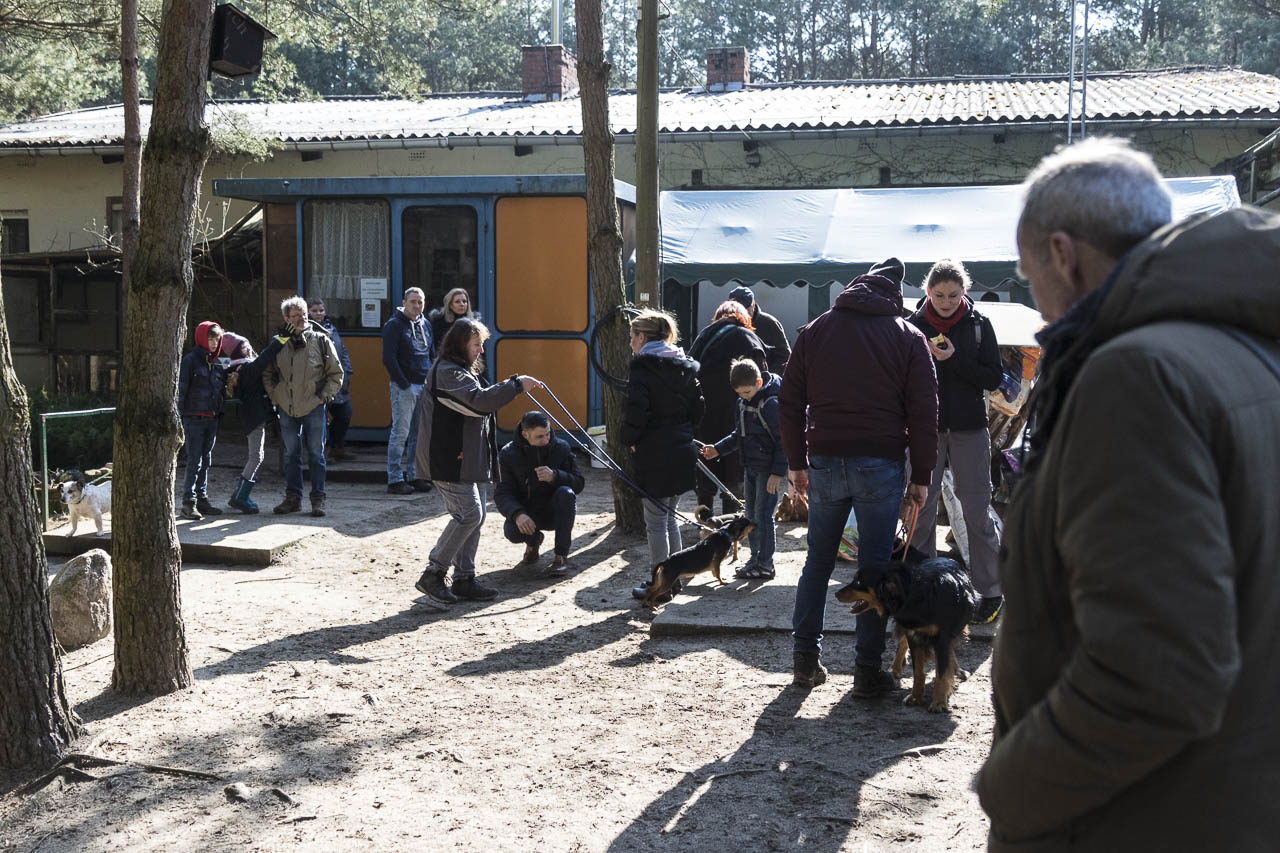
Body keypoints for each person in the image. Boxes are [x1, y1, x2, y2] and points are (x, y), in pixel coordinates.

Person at [976, 138, 1280, 850]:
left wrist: (1008, 790)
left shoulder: (1136, 377)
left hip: (1140, 817)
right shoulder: (1245, 350)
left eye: (1028, 277)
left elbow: (1158, 674)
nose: (1037, 305)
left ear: (1063, 254)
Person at [778, 257, 937, 692]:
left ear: (855, 286)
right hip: (880, 461)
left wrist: (796, 463)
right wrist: (921, 475)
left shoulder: (816, 330)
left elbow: (789, 402)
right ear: (896, 295)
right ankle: (867, 670)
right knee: (875, 567)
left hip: (825, 457)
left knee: (817, 562)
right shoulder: (908, 336)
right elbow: (924, 412)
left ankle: (804, 659)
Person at [412, 318, 544, 607]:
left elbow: (480, 401)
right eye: (476, 344)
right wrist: (516, 385)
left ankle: (464, 578)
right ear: (461, 344)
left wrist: (513, 385)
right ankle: (434, 574)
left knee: (476, 515)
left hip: (467, 459)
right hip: (448, 459)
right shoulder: (447, 372)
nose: (481, 350)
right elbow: (480, 402)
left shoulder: (458, 370)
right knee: (469, 515)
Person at [905, 260, 1005, 624]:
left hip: (969, 428)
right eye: (939, 295)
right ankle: (925, 587)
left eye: (953, 295)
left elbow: (993, 378)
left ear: (965, 292)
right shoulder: (912, 326)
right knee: (920, 510)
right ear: (927, 292)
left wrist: (953, 360)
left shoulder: (979, 325)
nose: (946, 302)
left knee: (977, 511)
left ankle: (990, 592)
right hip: (925, 430)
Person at [622, 310, 704, 602]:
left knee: (656, 522)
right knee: (669, 518)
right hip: (681, 448)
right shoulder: (684, 365)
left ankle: (660, 584)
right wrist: (683, 431)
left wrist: (630, 439)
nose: (631, 343)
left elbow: (636, 411)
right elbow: (698, 408)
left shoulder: (643, 369)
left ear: (643, 337)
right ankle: (676, 578)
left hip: (654, 452)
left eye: (632, 337)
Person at [700, 357, 786, 579]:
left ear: (758, 382)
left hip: (768, 471)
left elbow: (783, 441)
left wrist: (777, 473)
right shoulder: (742, 403)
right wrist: (718, 449)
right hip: (750, 467)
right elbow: (739, 435)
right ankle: (755, 558)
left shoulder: (771, 405)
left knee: (764, 516)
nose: (743, 396)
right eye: (739, 393)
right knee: (751, 516)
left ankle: (765, 564)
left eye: (747, 392)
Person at [263, 296, 344, 518]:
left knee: (317, 455)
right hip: (286, 407)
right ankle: (293, 499)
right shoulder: (278, 343)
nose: (302, 319)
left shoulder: (321, 340)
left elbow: (336, 374)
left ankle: (318, 499)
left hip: (313, 406)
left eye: (304, 314)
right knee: (291, 456)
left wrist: (324, 397)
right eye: (296, 315)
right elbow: (267, 373)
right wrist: (275, 396)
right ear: (286, 318)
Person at [688, 300, 767, 513]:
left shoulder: (703, 337)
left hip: (704, 414)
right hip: (737, 415)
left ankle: (704, 520)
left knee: (705, 468)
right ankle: (730, 523)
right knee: (734, 473)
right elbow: (763, 381)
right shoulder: (748, 337)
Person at [494, 410, 586, 576]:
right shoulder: (508, 454)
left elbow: (579, 483)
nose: (546, 440)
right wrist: (518, 514)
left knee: (566, 493)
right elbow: (502, 493)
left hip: (555, 511)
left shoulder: (561, 447)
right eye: (540, 437)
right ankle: (534, 542)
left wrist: (555, 476)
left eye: (548, 434)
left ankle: (561, 556)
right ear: (525, 434)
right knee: (512, 532)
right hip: (528, 513)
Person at [219, 331, 284, 514]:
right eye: (245, 347)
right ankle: (241, 497)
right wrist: (281, 340)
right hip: (254, 416)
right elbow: (265, 357)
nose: (249, 349)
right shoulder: (247, 369)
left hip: (251, 416)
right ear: (239, 351)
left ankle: (239, 494)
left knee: (257, 455)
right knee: (256, 456)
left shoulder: (235, 369)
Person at [382, 287, 433, 495]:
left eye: (420, 302)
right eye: (413, 301)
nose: (417, 306)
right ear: (404, 303)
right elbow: (388, 358)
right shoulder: (394, 325)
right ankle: (395, 479)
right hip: (404, 386)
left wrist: (430, 380)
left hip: (424, 385)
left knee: (418, 434)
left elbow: (431, 354)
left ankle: (414, 475)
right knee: (400, 432)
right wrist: (403, 383)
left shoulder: (426, 324)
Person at [177, 321, 227, 520]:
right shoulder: (190, 361)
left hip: (211, 418)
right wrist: (179, 417)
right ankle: (188, 502)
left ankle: (201, 499)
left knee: (206, 460)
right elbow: (181, 390)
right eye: (210, 338)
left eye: (217, 339)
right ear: (201, 338)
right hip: (193, 418)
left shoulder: (217, 363)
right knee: (194, 461)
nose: (214, 342)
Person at [308, 297, 355, 461]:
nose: (318, 313)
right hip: (319, 383)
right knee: (319, 420)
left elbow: (342, 350)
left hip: (338, 381)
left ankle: (337, 448)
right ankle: (320, 455)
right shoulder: (306, 331)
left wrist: (347, 371)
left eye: (321, 310)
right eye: (314, 311)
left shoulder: (331, 327)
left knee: (344, 414)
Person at [729, 284, 791, 373]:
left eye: (745, 309)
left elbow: (785, 357)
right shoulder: (726, 325)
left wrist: (768, 377)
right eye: (737, 309)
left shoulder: (770, 324)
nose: (742, 313)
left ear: (753, 304)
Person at [428, 287, 478, 358]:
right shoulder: (439, 323)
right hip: (446, 362)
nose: (462, 304)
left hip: (469, 362)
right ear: (450, 305)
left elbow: (480, 349)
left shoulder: (474, 323)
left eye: (464, 301)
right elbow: (434, 348)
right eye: (457, 302)